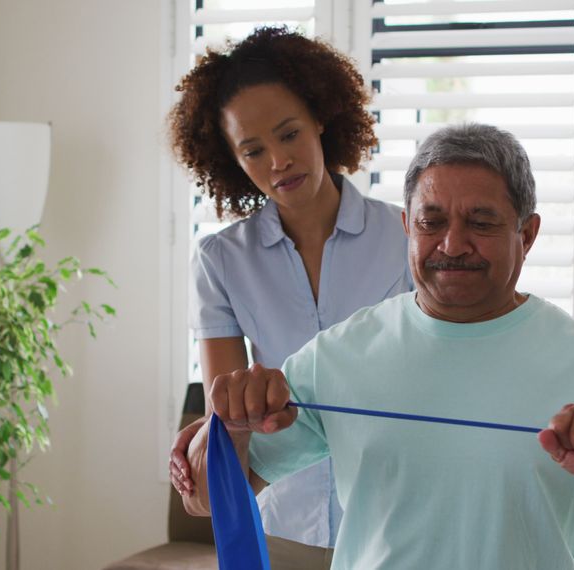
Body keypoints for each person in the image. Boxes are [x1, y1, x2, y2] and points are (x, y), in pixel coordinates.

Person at [181, 124, 574, 569]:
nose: (452, 244)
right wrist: (227, 425)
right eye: (431, 222)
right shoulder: (338, 355)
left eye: (482, 222)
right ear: (406, 228)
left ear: (528, 234)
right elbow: (207, 498)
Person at [165, 27, 413, 568]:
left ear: (321, 119)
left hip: (396, 528)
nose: (278, 161)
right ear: (233, 159)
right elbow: (224, 421)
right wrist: (210, 442)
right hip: (284, 530)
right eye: (253, 149)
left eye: (289, 134)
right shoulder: (221, 263)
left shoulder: (405, 238)